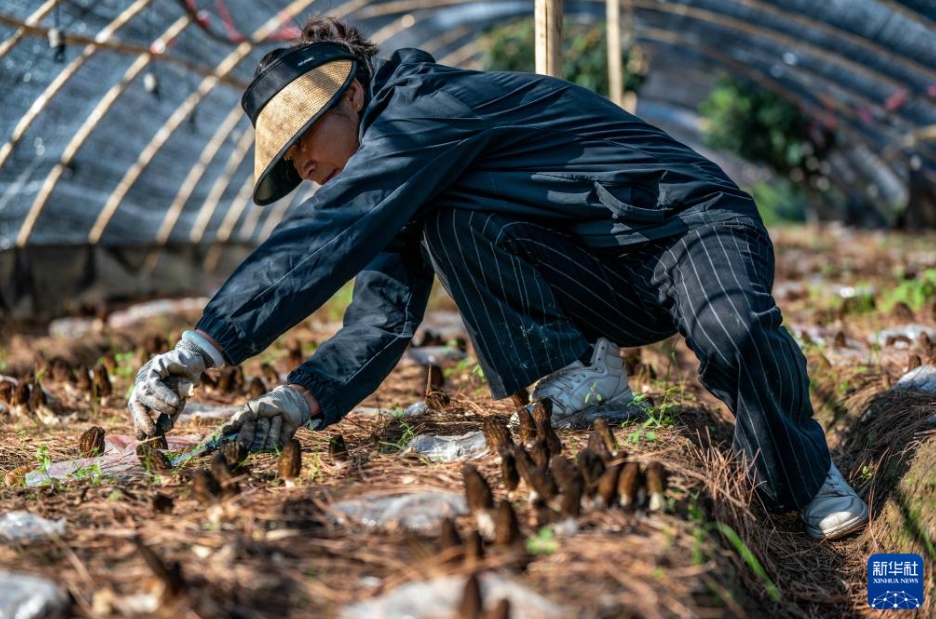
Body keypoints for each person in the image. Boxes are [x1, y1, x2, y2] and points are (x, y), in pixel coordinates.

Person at [127, 16, 868, 540]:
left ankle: (809, 475)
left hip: (684, 224)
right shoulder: (405, 179)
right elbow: (380, 318)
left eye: (300, 143)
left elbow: (330, 230)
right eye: (287, 164)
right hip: (607, 278)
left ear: (353, 92)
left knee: (732, 333)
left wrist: (206, 344)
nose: (303, 169)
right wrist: (298, 399)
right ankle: (580, 374)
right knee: (453, 222)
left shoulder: (423, 115)